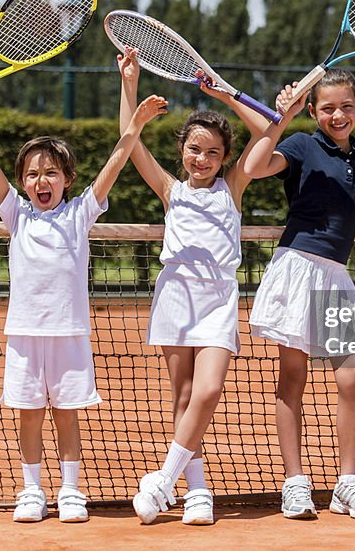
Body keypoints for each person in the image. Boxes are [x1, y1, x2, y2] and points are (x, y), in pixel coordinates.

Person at [0, 84, 165, 524]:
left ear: (67, 179)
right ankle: (32, 490)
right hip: (24, 335)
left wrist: (136, 123)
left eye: (51, 173)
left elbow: (115, 163)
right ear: (22, 183)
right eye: (32, 174)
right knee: (29, 415)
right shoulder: (16, 213)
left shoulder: (80, 213)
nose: (41, 181)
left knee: (66, 416)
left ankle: (70, 490)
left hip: (69, 334)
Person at [242, 69, 355, 521]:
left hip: (336, 277)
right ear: (315, 111)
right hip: (297, 268)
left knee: (352, 378)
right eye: (327, 108)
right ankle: (295, 483)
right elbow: (253, 168)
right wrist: (281, 117)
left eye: (346, 107)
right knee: (292, 377)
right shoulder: (300, 145)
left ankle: (347, 483)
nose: (337, 115)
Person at [118, 49, 275, 525]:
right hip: (175, 296)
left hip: (218, 299)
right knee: (183, 396)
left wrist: (223, 93)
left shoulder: (234, 187)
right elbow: (129, 145)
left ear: (225, 157)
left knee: (208, 391)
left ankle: (164, 480)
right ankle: (198, 490)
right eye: (194, 149)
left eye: (212, 152)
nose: (202, 158)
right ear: (181, 151)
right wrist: (129, 85)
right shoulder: (171, 190)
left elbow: (267, 131)